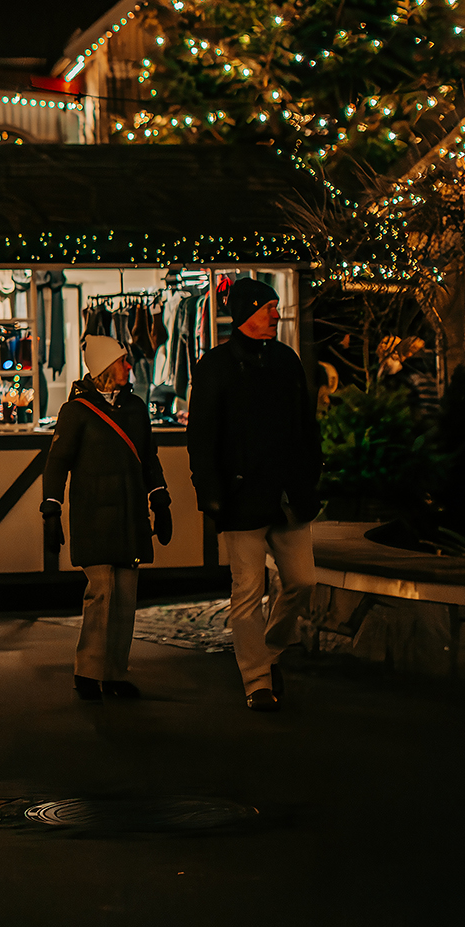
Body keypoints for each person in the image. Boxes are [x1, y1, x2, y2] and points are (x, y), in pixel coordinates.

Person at [188, 279, 320, 713]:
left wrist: (310, 473)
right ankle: (257, 680)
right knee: (247, 591)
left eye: (276, 307)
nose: (275, 315)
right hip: (241, 496)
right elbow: (202, 437)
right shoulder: (215, 366)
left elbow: (305, 424)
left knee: (302, 580)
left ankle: (270, 649)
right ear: (244, 312)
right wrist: (209, 492)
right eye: (267, 308)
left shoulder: (286, 360)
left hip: (287, 493)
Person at [39, 336, 171, 702]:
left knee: (126, 596)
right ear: (105, 366)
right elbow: (57, 463)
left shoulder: (135, 408)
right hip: (93, 514)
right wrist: (51, 510)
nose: (129, 366)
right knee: (101, 592)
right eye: (122, 361)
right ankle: (88, 670)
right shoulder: (77, 411)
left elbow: (148, 457)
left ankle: (113, 672)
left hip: (129, 514)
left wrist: (160, 500)